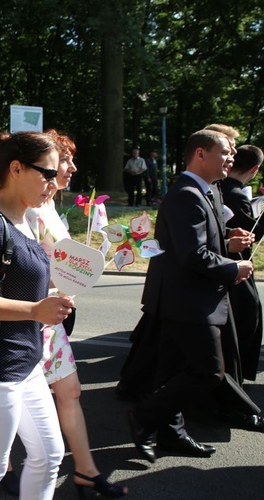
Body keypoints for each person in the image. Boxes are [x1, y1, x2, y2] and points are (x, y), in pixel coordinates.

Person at [0, 131, 73, 499]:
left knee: (50, 455)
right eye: (47, 173)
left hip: (26, 363)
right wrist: (36, 310)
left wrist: (55, 292)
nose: (54, 183)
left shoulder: (27, 221)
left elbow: (17, 282)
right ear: (17, 169)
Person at [11, 130, 126, 497]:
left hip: (50, 319)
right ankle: (4, 467)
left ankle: (86, 472)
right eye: (65, 160)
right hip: (29, 319)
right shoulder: (26, 209)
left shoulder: (49, 207)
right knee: (13, 396)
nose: (72, 167)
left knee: (71, 391)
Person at [127, 130, 253, 464]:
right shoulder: (186, 194)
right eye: (225, 152)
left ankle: (171, 434)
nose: (231, 158)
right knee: (208, 371)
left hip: (185, 299)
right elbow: (192, 255)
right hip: (188, 301)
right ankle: (144, 417)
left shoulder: (205, 189)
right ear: (200, 154)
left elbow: (198, 239)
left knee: (170, 372)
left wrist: (228, 239)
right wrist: (233, 268)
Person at [220, 145, 264, 381]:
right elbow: (251, 234)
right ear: (255, 169)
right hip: (233, 264)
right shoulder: (234, 193)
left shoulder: (220, 188)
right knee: (247, 314)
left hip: (226, 263)